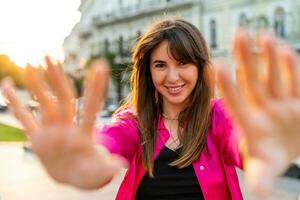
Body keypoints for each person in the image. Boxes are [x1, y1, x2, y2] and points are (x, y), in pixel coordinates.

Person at [1, 17, 300, 200]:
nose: (172, 77)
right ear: (148, 72)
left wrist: (258, 148)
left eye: (182, 63)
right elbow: (110, 142)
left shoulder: (217, 114)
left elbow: (240, 142)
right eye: (160, 65)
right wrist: (89, 158)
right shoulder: (133, 120)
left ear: (199, 67)